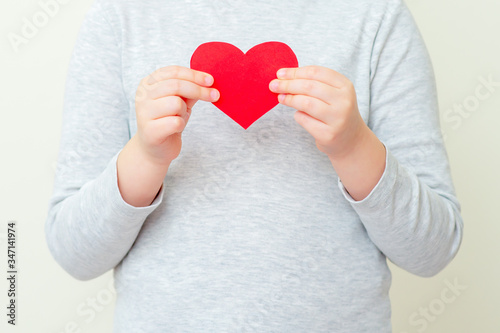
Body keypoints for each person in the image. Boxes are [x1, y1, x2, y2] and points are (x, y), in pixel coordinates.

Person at [45, 0, 464, 331]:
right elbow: (75, 253)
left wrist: (354, 145)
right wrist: (146, 156)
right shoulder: (119, 17)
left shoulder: (377, 16)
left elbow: (433, 251)